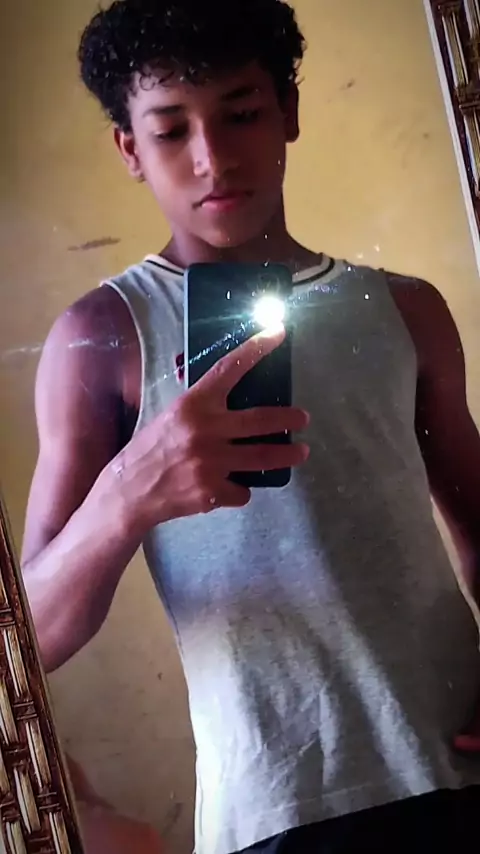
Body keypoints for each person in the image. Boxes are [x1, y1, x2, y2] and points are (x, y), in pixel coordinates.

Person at [20, 0, 480, 851]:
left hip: (453, 764)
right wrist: (127, 494)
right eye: (170, 130)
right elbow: (28, 643)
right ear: (129, 150)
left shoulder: (406, 308)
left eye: (240, 113)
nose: (213, 157)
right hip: (273, 805)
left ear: (288, 112)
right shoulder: (102, 336)